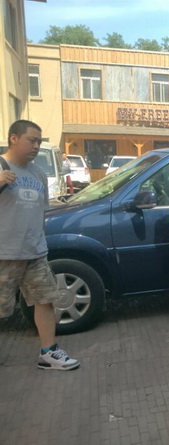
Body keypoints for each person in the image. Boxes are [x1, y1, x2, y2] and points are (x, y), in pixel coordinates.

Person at [0, 120, 79, 371]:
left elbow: (39, 214)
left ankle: (49, 353)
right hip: (4, 253)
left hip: (35, 252)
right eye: (31, 140)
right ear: (14, 138)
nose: (36, 146)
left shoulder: (38, 174)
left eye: (39, 141)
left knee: (45, 301)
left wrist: (41, 242)